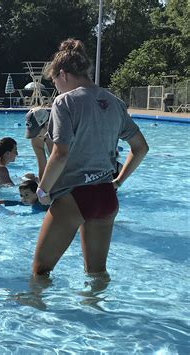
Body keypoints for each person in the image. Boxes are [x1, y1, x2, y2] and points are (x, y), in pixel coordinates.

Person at [32, 38, 149, 278]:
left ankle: (34, 315)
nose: (56, 88)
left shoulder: (65, 101)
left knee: (40, 272)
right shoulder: (115, 103)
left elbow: (60, 154)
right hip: (106, 195)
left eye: (54, 82)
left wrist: (42, 191)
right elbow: (140, 148)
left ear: (63, 74)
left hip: (74, 197)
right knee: (97, 274)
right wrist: (118, 181)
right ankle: (96, 310)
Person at [24, 107, 52, 181]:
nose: (36, 136)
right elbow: (42, 167)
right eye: (33, 132)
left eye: (37, 132)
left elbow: (62, 163)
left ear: (47, 125)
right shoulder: (36, 139)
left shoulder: (61, 135)